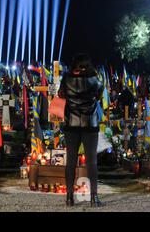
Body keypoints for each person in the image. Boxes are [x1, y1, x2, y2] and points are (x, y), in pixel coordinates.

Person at [58, 53, 104, 207]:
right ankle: (94, 198)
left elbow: (61, 95)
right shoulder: (95, 80)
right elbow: (98, 97)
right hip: (90, 125)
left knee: (71, 161)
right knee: (92, 162)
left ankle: (69, 198)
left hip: (71, 124)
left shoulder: (66, 79)